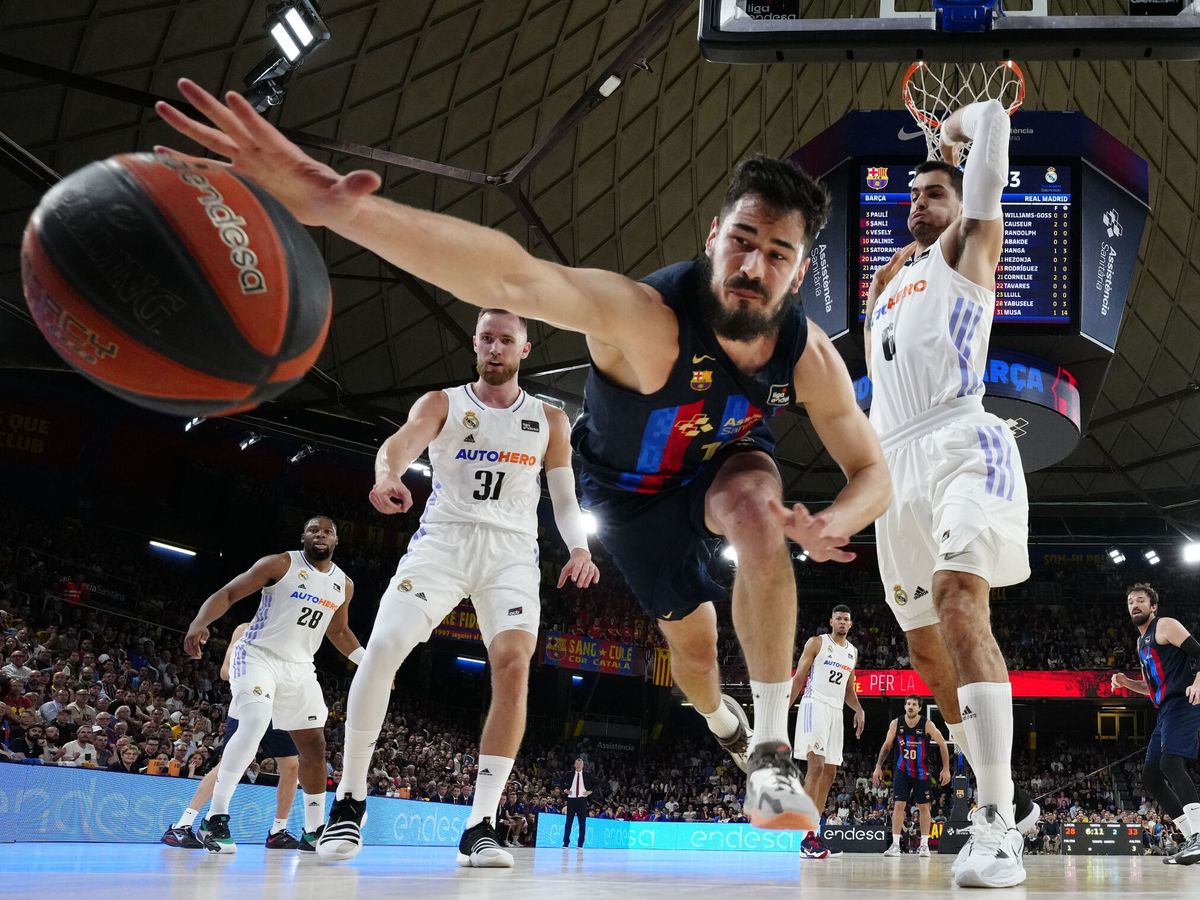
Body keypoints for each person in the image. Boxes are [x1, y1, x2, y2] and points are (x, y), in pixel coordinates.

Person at [156, 79, 891, 835]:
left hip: (728, 465)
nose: (753, 264)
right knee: (699, 670)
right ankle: (726, 721)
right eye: (743, 239)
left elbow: (874, 473)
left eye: (777, 253)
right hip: (632, 499)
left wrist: (838, 517)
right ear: (713, 236)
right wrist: (341, 207)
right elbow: (511, 274)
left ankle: (770, 751)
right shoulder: (644, 318)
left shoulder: (805, 353)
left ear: (799, 272)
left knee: (760, 516)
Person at [311, 309, 598, 868]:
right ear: (475, 345)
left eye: (506, 340)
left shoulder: (550, 419)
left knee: (514, 665)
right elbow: (396, 447)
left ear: (525, 349)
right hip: (442, 542)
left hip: (511, 553)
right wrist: (386, 475)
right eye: (487, 338)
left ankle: (481, 823)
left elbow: (565, 500)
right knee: (382, 651)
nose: (496, 348)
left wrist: (581, 548)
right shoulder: (442, 402)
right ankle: (349, 800)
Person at [864, 101, 1037, 887]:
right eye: (914, 196)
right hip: (892, 468)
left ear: (959, 202)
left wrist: (964, 130)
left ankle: (995, 822)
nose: (918, 203)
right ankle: (1009, 794)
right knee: (924, 651)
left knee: (958, 597)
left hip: (963, 440)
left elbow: (995, 132)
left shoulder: (970, 244)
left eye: (935, 193)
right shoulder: (886, 279)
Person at [182, 516, 363, 853]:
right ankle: (214, 817)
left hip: (299, 668)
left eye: (327, 531)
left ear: (336, 540)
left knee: (313, 746)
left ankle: (313, 830)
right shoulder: (280, 563)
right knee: (253, 722)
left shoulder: (344, 584)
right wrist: (200, 621)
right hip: (257, 655)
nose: (320, 535)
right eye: (313, 530)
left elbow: (338, 632)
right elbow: (229, 592)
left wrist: (369, 663)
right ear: (303, 536)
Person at [161, 623, 303, 850]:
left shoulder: (295, 635)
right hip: (251, 702)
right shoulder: (247, 628)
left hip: (279, 709)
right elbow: (226, 670)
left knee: (293, 767)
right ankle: (183, 824)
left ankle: (278, 831)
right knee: (230, 763)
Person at [1111, 583, 1200, 866]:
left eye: (1140, 600)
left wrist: (1199, 681)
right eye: (1130, 602)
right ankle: (1191, 839)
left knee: (1171, 763)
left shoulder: (1165, 625)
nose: (1134, 605)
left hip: (1184, 702)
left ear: (1153, 607)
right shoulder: (1141, 643)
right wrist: (1127, 683)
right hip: (1165, 709)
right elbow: (1153, 689)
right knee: (1151, 775)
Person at [789, 604, 864, 859]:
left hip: (836, 712)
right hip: (814, 705)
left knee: (830, 772)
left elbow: (848, 691)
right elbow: (799, 677)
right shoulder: (817, 642)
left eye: (846, 619)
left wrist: (859, 710)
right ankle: (805, 838)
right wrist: (783, 711)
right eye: (839, 618)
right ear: (831, 621)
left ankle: (814, 833)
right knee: (817, 767)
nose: (842, 622)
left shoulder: (852, 652)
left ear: (851, 624)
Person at [872, 694, 951, 858]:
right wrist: (878, 766)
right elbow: (887, 745)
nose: (910, 706)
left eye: (914, 704)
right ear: (905, 706)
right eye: (908, 704)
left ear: (920, 708)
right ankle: (895, 845)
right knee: (898, 806)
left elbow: (943, 744)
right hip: (902, 771)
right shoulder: (896, 723)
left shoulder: (927, 724)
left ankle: (924, 845)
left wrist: (946, 769)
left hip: (922, 772)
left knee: (924, 807)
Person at [563, 757, 593, 849]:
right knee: (568, 822)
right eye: (577, 763)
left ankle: (580, 844)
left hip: (582, 800)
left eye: (580, 764)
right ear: (574, 765)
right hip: (571, 800)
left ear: (583, 765)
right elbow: (560, 782)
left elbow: (596, 783)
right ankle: (566, 843)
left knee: (582, 823)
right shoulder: (569, 774)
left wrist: (590, 791)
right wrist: (565, 790)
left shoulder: (587, 775)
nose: (579, 765)